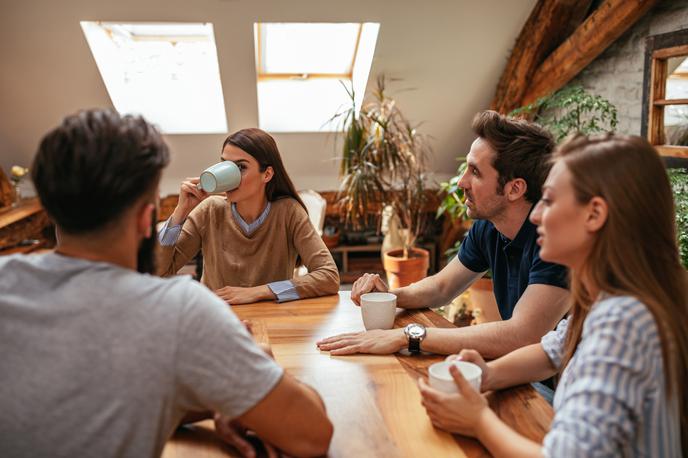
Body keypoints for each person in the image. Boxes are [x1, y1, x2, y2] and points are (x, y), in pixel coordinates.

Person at [0, 110, 333, 458]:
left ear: (50, 210)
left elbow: (85, 400)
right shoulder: (182, 311)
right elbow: (312, 435)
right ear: (148, 220)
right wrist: (247, 373)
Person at [418, 134, 688, 456]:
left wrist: (478, 421)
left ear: (594, 214)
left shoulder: (624, 321)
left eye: (548, 200)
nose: (535, 215)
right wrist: (487, 374)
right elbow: (552, 351)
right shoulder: (613, 296)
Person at [317, 111, 569, 359]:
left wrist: (409, 336)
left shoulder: (557, 241)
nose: (461, 182)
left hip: (559, 387)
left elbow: (521, 335)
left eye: (475, 172)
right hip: (521, 369)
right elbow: (441, 286)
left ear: (514, 188)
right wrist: (389, 296)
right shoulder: (490, 227)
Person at [157, 127, 339, 304]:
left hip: (273, 322)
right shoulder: (209, 210)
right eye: (225, 165)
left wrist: (260, 292)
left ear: (267, 174)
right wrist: (179, 213)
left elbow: (329, 276)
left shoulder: (288, 212)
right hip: (218, 321)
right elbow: (157, 274)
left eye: (240, 167)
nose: (230, 175)